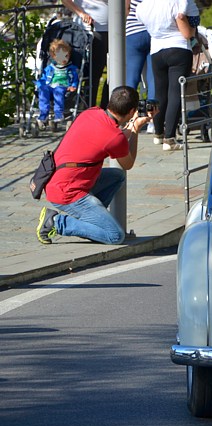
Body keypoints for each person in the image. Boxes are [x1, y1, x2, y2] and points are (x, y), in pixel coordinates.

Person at [35, 86, 153, 245]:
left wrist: (132, 126)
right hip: (67, 193)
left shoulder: (91, 112)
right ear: (132, 111)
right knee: (115, 236)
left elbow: (113, 138)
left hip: (57, 180)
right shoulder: (114, 137)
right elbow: (128, 163)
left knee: (117, 177)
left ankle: (91, 222)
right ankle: (55, 222)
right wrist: (137, 128)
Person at [136, 0, 197, 152]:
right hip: (179, 47)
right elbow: (188, 32)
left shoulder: (142, 6)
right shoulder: (179, 2)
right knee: (175, 93)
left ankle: (158, 133)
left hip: (156, 49)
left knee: (159, 93)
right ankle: (169, 138)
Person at [62, 0, 109, 108]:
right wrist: (81, 13)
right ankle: (90, 109)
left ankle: (106, 108)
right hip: (90, 31)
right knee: (94, 73)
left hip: (114, 30)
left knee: (116, 71)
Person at [125, 0, 156, 134]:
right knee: (152, 79)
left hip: (133, 31)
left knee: (131, 79)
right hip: (152, 30)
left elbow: (126, 8)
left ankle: (128, 117)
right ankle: (152, 121)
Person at [36, 39, 79, 131]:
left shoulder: (71, 69)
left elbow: (75, 79)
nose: (64, 58)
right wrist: (40, 84)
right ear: (53, 56)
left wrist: (73, 86)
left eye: (66, 56)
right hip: (50, 85)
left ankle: (58, 113)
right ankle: (43, 114)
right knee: (43, 91)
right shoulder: (50, 68)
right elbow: (43, 78)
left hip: (63, 86)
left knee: (58, 91)